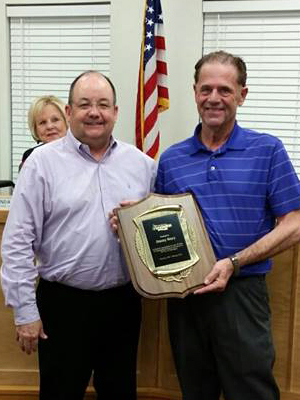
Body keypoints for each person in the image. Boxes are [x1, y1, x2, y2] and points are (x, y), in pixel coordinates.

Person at [1, 71, 156, 400]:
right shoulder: (41, 165)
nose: (94, 112)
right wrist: (25, 311)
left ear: (116, 111)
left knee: (120, 393)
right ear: (69, 112)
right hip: (63, 306)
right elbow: (16, 242)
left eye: (103, 104)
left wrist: (138, 225)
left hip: (123, 304)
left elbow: (158, 231)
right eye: (84, 104)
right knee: (60, 393)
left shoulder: (143, 166)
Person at [155, 51, 300, 400]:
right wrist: (128, 219)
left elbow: (294, 223)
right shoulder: (172, 159)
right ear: (194, 92)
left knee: (251, 392)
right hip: (185, 297)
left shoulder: (267, 150)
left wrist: (234, 263)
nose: (214, 98)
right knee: (195, 390)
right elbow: (159, 225)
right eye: (206, 89)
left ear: (242, 94)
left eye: (224, 89)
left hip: (242, 295)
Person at [19, 95, 68, 169]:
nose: (49, 126)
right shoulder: (30, 156)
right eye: (42, 122)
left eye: (55, 120)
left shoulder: (82, 152)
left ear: (67, 122)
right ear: (35, 129)